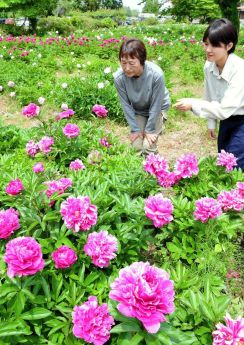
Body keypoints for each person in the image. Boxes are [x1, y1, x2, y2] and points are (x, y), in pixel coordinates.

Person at [175, 18, 244, 171]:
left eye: (214, 45)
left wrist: (193, 103)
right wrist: (211, 123)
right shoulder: (209, 65)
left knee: (236, 164)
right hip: (226, 120)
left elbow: (225, 109)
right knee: (223, 159)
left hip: (241, 120)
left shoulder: (240, 69)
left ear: (229, 45)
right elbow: (210, 95)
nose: (208, 49)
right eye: (206, 44)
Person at [114, 38, 170, 155]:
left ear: (142, 61)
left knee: (148, 146)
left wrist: (149, 130)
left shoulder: (156, 75)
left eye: (131, 63)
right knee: (136, 145)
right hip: (138, 110)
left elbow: (156, 104)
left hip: (158, 109)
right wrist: (135, 129)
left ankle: (155, 169)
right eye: (123, 62)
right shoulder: (119, 78)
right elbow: (126, 105)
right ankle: (138, 172)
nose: (127, 68)